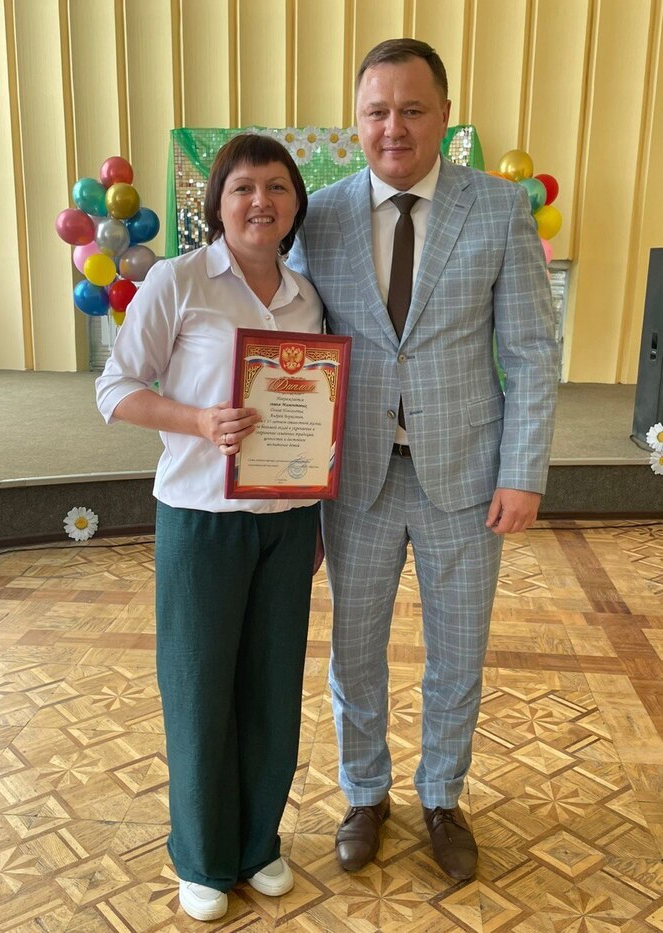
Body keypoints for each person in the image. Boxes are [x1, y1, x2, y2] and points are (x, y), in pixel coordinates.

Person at [288, 38, 559, 881]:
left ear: (444, 115)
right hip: (356, 481)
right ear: (356, 121)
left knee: (458, 655)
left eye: (412, 109)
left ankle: (442, 796)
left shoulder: (498, 208)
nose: (393, 127)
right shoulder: (320, 215)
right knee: (354, 654)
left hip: (466, 479)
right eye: (377, 112)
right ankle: (365, 793)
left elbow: (532, 352)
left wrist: (523, 470)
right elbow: (292, 341)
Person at [96, 133, 323, 922]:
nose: (261, 201)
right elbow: (115, 387)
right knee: (199, 689)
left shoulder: (306, 294)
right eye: (243, 188)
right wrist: (198, 420)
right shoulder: (179, 280)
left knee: (272, 688)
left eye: (277, 187)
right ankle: (201, 855)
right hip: (202, 520)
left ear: (296, 203)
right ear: (217, 204)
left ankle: (257, 842)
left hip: (289, 521)